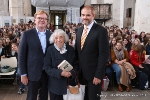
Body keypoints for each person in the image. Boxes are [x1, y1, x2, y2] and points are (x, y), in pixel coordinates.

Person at [75, 5, 109, 100]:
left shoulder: (101, 31)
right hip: (81, 75)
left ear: (93, 15)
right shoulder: (79, 30)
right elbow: (78, 52)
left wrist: (98, 75)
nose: (85, 17)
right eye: (83, 15)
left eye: (88, 15)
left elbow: (103, 54)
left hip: (94, 75)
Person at [18, 10, 52, 100]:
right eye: (39, 18)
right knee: (31, 97)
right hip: (32, 73)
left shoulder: (50, 35)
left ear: (47, 21)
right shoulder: (27, 34)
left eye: (44, 18)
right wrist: (23, 74)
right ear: (35, 20)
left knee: (44, 97)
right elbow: (21, 56)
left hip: (46, 73)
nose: (42, 20)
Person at [44, 29, 77, 100]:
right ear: (53, 39)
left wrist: (71, 73)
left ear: (64, 38)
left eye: (61, 37)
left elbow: (76, 64)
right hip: (55, 86)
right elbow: (47, 67)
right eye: (56, 38)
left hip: (70, 84)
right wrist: (60, 73)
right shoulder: (50, 50)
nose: (58, 40)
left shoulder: (70, 49)